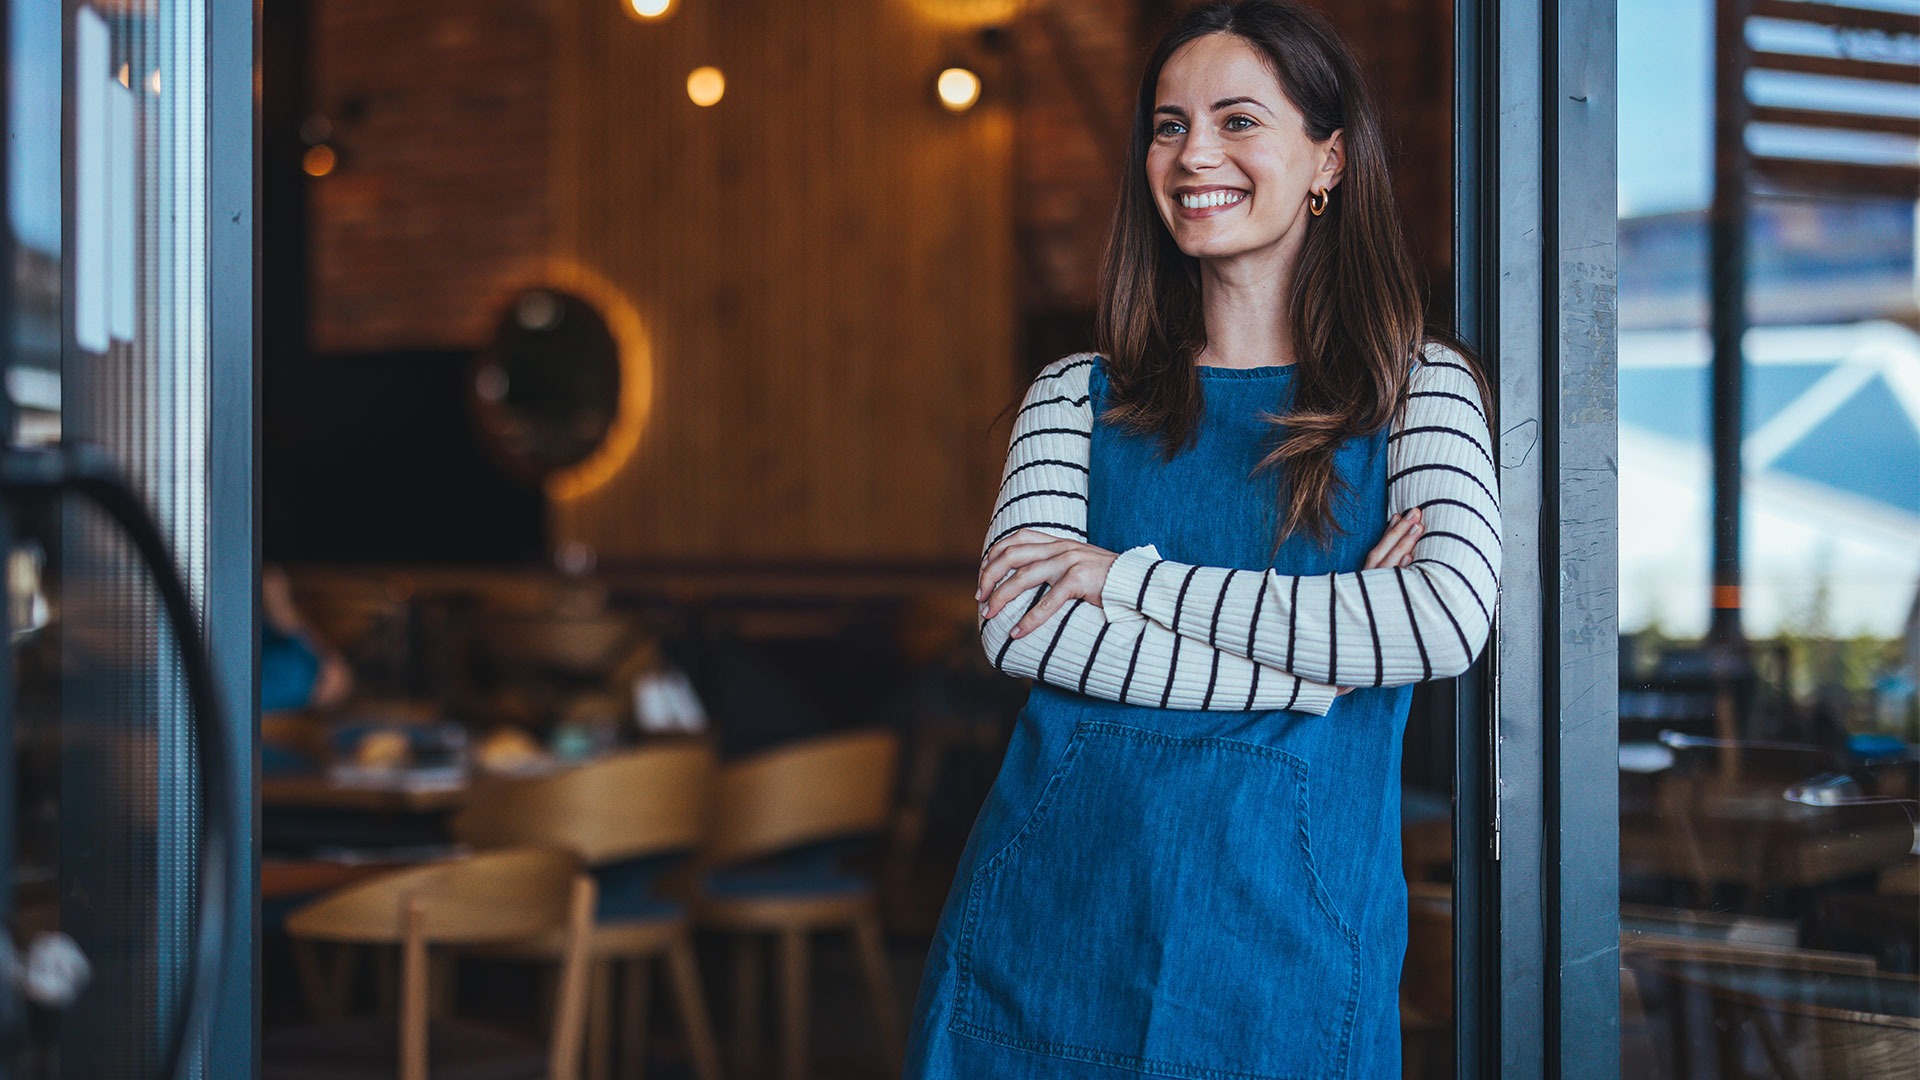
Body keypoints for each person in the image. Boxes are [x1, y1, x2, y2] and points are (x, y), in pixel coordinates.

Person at [904, 3, 1501, 1077]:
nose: (1195, 156)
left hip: (1289, 954)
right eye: (1169, 125)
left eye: (1237, 121)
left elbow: (1442, 621)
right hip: (1044, 923)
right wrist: (1316, 671)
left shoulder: (1422, 391)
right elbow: (1029, 635)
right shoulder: (1070, 398)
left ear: (1327, 157)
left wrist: (1126, 579)